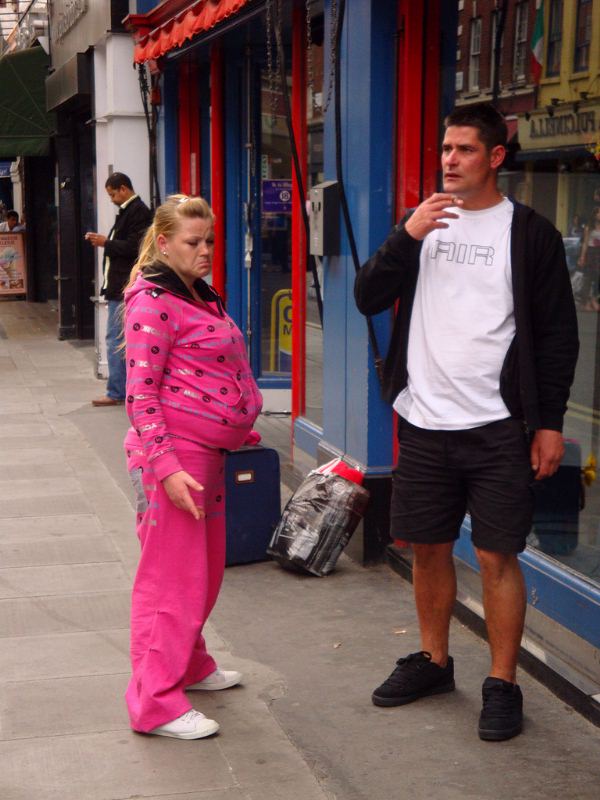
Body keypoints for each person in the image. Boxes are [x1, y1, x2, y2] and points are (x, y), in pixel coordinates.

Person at [354, 103, 579, 741]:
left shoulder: (529, 235)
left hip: (499, 424)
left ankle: (502, 683)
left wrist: (549, 422)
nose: (450, 160)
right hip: (425, 418)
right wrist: (407, 236)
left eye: (465, 150)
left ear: (496, 157)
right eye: (446, 149)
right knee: (427, 547)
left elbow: (559, 336)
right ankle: (434, 661)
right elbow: (367, 295)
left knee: (497, 553)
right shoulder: (421, 225)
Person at [122, 194, 263, 740]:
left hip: (205, 455)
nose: (206, 251)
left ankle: (190, 664)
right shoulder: (153, 302)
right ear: (164, 243)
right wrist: (166, 465)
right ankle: (155, 702)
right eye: (193, 242)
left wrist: (237, 421)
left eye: (210, 241)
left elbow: (211, 366)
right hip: (177, 460)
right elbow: (141, 394)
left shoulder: (196, 294)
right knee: (169, 583)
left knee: (199, 575)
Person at [86, 172, 152, 407]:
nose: (112, 198)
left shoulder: (139, 212)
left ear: (123, 189)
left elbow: (136, 247)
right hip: (119, 286)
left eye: (113, 194)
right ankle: (121, 389)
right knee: (120, 339)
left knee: (114, 339)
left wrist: (106, 242)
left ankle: (116, 392)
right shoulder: (129, 212)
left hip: (124, 287)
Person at [576, 206, 600, 311]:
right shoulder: (589, 228)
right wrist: (582, 257)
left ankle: (593, 298)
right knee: (589, 276)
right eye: (599, 213)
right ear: (594, 215)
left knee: (597, 276)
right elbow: (585, 243)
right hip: (591, 252)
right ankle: (587, 301)